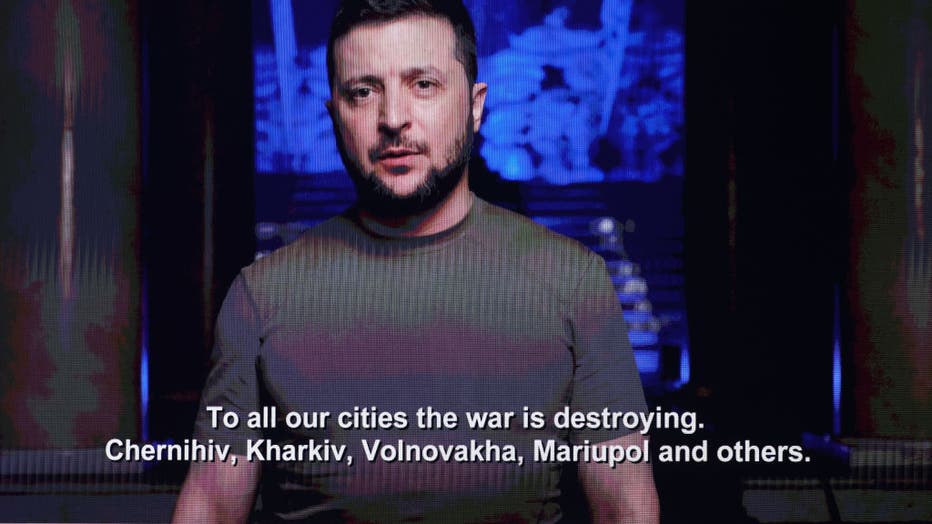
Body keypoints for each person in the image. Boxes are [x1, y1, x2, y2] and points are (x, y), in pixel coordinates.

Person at [172, 1, 658, 522]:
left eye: (423, 85)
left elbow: (625, 507)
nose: (392, 119)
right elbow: (213, 504)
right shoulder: (261, 295)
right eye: (363, 92)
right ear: (334, 115)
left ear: (475, 106)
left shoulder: (574, 282)